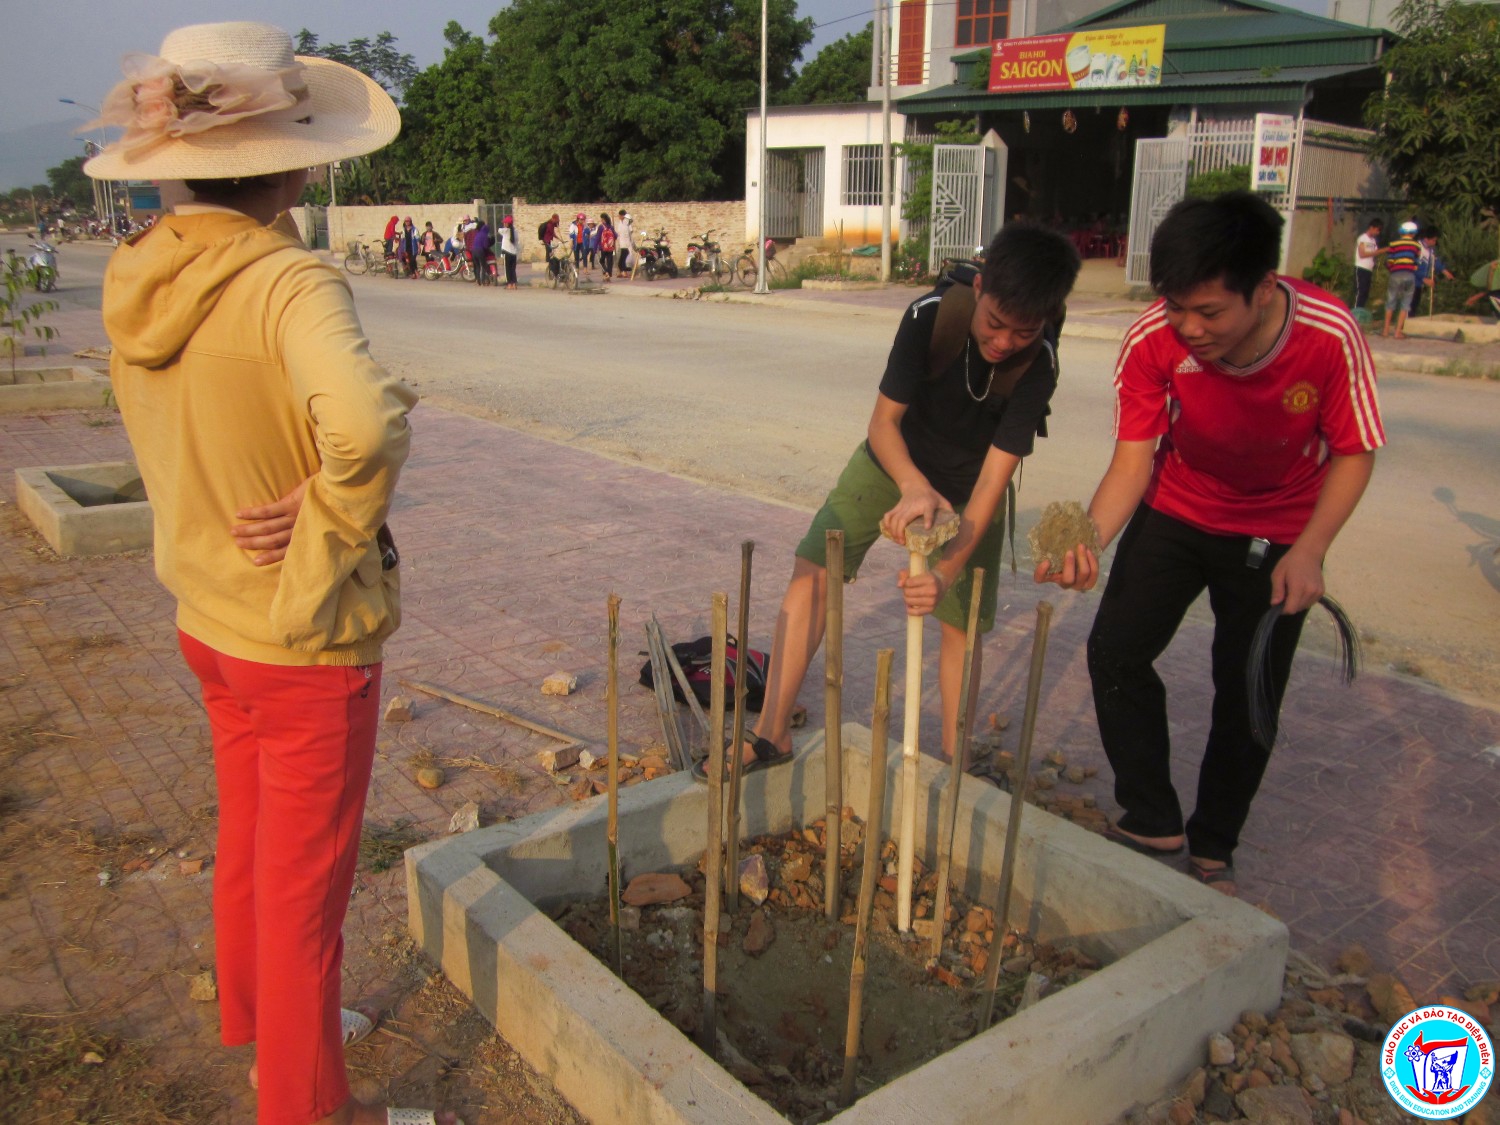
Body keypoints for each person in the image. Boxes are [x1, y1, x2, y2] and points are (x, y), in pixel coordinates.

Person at [84, 21, 458, 1125]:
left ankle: (255, 1026)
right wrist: (335, 512)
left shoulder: (139, 273)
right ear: (291, 160)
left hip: (208, 619)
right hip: (300, 640)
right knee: (309, 899)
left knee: (247, 847)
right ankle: (299, 1104)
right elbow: (360, 430)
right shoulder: (291, 283)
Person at [1038, 191, 1384, 896]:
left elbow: (1354, 452)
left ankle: (1215, 841)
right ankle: (1152, 815)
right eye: (1176, 308)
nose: (1190, 328)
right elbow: (1133, 460)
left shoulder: (1329, 333)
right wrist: (1090, 541)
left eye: (1210, 312)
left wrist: (1312, 548)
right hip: (1178, 506)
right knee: (1114, 650)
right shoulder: (1152, 340)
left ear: (1262, 291)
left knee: (1247, 690)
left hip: (1278, 530)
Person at [706, 222, 1081, 781]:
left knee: (961, 621)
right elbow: (883, 423)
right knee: (813, 566)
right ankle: (771, 734)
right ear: (979, 289)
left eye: (1022, 332)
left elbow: (990, 488)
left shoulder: (1039, 364)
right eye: (995, 323)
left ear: (1046, 321)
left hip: (969, 488)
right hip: (894, 461)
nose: (1004, 342)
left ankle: (954, 765)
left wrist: (945, 572)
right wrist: (911, 484)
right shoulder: (929, 316)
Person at [1382, 220, 1421, 339]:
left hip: (1395, 274)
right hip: (1409, 275)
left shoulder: (1394, 244)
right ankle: (1398, 332)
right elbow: (1416, 263)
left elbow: (1390, 261)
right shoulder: (1416, 245)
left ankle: (1385, 330)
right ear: (1413, 233)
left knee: (1390, 301)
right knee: (1405, 303)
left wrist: (1392, 269)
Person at [1409, 227, 1455, 317]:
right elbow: (1411, 265)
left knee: (1414, 305)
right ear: (1426, 239)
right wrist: (1423, 278)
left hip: (1418, 284)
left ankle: (1407, 326)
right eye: (1433, 240)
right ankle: (1401, 327)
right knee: (1408, 306)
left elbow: (1435, 262)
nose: (1434, 243)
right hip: (1411, 281)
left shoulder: (1430, 250)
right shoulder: (1417, 247)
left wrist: (1444, 271)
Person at [1352, 217, 1384, 312]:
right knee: (1360, 292)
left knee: (1365, 292)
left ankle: (1361, 311)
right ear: (1372, 227)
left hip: (1369, 269)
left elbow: (1374, 252)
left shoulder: (1373, 241)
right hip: (1361, 268)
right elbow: (1362, 254)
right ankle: (1356, 311)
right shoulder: (1362, 238)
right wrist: (1379, 252)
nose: (1378, 233)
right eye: (1377, 230)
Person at [470, 219, 494, 286]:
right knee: (484, 265)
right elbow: (486, 246)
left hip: (473, 251)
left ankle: (478, 281)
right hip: (480, 251)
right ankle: (486, 278)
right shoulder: (484, 235)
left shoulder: (478, 234)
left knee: (477, 266)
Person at [498, 215, 519, 289]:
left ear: (507, 224)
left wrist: (505, 228)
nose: (504, 224)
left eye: (505, 223)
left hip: (507, 253)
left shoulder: (505, 231)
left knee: (507, 269)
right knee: (513, 269)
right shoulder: (515, 232)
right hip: (514, 253)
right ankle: (514, 284)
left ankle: (509, 284)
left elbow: (499, 230)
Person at [617, 208, 634, 277]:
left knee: (624, 259)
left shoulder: (627, 224)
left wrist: (630, 244)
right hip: (622, 243)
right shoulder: (620, 223)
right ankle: (622, 271)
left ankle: (624, 272)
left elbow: (629, 234)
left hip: (627, 244)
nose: (619, 217)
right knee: (621, 260)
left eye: (619, 215)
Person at [598, 213, 615, 281]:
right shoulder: (611, 227)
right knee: (609, 261)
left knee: (602, 261)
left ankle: (606, 273)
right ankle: (609, 274)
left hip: (603, 247)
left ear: (603, 219)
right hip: (610, 247)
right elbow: (615, 235)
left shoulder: (601, 227)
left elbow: (598, 237)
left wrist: (595, 246)